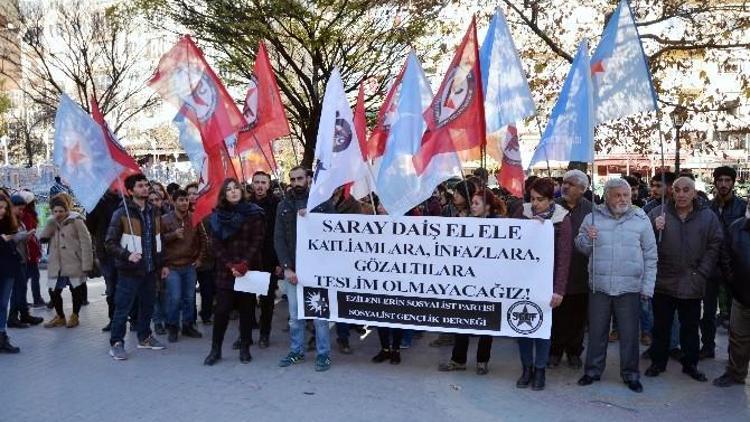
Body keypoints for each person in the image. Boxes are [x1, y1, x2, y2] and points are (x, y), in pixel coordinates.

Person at [575, 178, 657, 393]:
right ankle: (592, 371)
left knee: (630, 335)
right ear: (607, 196)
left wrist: (647, 287)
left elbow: (650, 255)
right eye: (617, 195)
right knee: (597, 332)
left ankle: (630, 374)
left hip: (629, 287)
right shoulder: (592, 217)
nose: (622, 199)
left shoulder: (641, 218)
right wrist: (587, 238)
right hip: (599, 286)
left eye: (626, 195)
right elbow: (581, 247)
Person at [645, 176, 723, 382]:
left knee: (690, 328)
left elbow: (715, 244)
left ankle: (691, 364)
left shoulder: (708, 217)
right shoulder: (657, 213)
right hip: (663, 280)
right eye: (677, 190)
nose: (681, 194)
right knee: (661, 326)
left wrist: (703, 272)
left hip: (692, 281)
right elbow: (643, 242)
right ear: (671, 192)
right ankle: (657, 362)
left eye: (686, 190)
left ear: (694, 193)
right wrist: (654, 228)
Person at [438, 188, 506, 375]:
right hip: (466, 280)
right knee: (462, 320)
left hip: (490, 281)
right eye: (472, 203)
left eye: (477, 203)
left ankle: (482, 361)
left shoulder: (500, 225)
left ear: (488, 206)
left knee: (487, 321)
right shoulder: (466, 222)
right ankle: (458, 359)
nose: (473, 206)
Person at [275, 166, 335, 371]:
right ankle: (296, 351)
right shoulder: (283, 205)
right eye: (292, 179)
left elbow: (335, 234)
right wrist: (286, 268)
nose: (296, 182)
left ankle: (323, 354)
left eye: (300, 178)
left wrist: (313, 217)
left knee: (320, 316)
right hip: (294, 272)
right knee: (295, 316)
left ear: (308, 178)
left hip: (318, 271)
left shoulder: (322, 203)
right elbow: (279, 239)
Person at [514, 177, 572, 390]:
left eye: (540, 200)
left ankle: (540, 370)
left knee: (542, 328)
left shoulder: (562, 219)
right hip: (522, 281)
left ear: (550, 200)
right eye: (532, 199)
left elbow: (565, 259)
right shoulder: (522, 213)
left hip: (546, 284)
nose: (535, 204)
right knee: (522, 326)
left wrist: (559, 290)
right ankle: (526, 368)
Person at [203, 178, 265, 366]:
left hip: (248, 268)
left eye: (236, 188)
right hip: (226, 270)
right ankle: (216, 350)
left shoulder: (254, 213)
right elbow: (216, 244)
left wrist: (244, 263)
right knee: (221, 311)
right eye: (228, 189)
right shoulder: (216, 216)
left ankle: (245, 347)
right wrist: (231, 265)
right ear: (224, 194)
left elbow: (258, 239)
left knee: (247, 311)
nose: (233, 192)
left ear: (241, 191)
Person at [106, 173, 167, 360]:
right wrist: (127, 255)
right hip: (129, 271)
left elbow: (159, 239)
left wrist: (162, 264)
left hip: (150, 269)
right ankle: (116, 343)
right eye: (140, 186)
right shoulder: (121, 213)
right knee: (123, 308)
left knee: (147, 305)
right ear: (131, 191)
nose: (145, 188)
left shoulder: (154, 211)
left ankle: (145, 337)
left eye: (146, 185)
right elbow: (109, 243)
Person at [702, 166, 748, 359]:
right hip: (711, 266)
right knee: (709, 312)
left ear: (733, 182)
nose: (723, 184)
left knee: (735, 318)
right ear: (715, 182)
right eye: (720, 180)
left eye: (727, 180)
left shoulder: (742, 207)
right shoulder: (707, 208)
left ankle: (734, 356)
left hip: (735, 268)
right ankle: (707, 348)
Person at [549, 169, 593, 369]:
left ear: (583, 189)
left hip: (581, 274)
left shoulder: (593, 211)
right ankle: (554, 352)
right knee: (556, 317)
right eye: (564, 182)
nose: (565, 186)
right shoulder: (551, 208)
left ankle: (574, 352)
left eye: (571, 184)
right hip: (555, 274)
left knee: (577, 319)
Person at [38, 194, 93, 329]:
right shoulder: (52, 221)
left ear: (67, 209)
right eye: (55, 211)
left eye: (61, 211)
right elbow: (43, 237)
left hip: (74, 261)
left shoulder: (76, 221)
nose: (58, 214)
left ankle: (75, 315)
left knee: (76, 290)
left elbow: (86, 243)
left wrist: (87, 264)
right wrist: (50, 224)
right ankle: (60, 316)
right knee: (53, 290)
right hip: (57, 263)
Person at [713, 197, 750, 387]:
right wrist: (734, 284)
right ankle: (736, 374)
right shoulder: (736, 228)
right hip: (742, 295)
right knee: (738, 339)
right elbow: (726, 257)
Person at [161, 189, 205, 342]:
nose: (184, 203)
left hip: (190, 266)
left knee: (189, 297)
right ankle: (172, 326)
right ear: (173, 201)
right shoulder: (164, 220)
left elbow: (204, 240)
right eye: (180, 200)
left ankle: (188, 325)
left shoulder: (194, 218)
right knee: (175, 297)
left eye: (186, 200)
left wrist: (200, 258)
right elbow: (157, 242)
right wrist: (173, 235)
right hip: (171, 267)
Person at [247, 171, 281, 349]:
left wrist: (278, 262)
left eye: (263, 182)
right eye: (257, 182)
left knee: (267, 299)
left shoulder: (277, 204)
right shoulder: (245, 204)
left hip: (269, 259)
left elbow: (279, 234)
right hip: (249, 259)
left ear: (269, 185)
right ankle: (246, 334)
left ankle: (264, 334)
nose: (260, 186)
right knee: (248, 298)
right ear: (252, 184)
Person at [86, 188, 127, 332]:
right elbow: (90, 225)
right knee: (111, 289)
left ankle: (132, 318)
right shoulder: (98, 202)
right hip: (106, 252)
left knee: (128, 287)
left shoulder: (127, 200)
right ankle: (114, 320)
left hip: (126, 250)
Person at [6, 194, 43, 328]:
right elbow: (10, 238)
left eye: (23, 209)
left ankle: (23, 315)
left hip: (22, 258)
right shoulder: (8, 221)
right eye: (19, 209)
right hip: (14, 260)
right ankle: (14, 318)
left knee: (21, 289)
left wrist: (27, 236)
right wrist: (24, 235)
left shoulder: (18, 220)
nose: (21, 212)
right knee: (17, 290)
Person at [1, 194, 22, 353]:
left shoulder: (8, 223)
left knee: (3, 304)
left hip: (8, 268)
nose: (2, 211)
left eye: (5, 208)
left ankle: (2, 336)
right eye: (0, 208)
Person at [19, 191, 45, 308]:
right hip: (29, 250)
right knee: (33, 276)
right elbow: (28, 233)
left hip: (28, 250)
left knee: (28, 276)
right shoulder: (28, 215)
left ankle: (24, 300)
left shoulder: (22, 214)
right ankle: (36, 299)